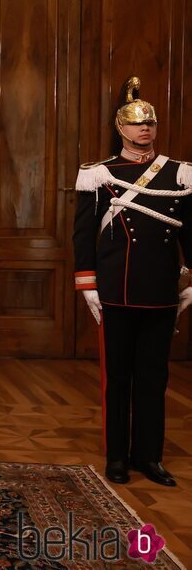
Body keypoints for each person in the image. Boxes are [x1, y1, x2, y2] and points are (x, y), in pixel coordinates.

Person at [73, 76, 192, 487]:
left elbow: (187, 233)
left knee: (154, 377)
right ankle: (118, 457)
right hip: (117, 289)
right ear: (120, 128)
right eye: (136, 123)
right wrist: (88, 284)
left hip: (161, 291)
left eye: (150, 123)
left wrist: (190, 282)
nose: (145, 129)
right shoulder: (98, 174)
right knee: (118, 377)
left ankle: (149, 457)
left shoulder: (180, 174)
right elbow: (83, 234)